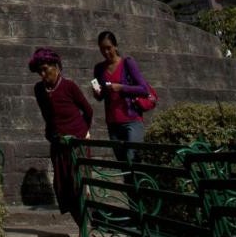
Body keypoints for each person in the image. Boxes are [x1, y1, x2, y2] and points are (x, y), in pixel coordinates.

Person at [28, 47, 95, 215]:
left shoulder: (69, 86)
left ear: (56, 67)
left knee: (79, 186)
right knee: (63, 188)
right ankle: (82, 227)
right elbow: (47, 115)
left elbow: (88, 111)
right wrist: (52, 134)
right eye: (39, 71)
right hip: (58, 144)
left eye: (45, 70)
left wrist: (83, 132)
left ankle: (88, 232)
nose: (42, 75)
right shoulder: (39, 90)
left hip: (76, 144)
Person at [92, 30, 154, 162]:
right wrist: (97, 93)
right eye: (102, 49)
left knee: (133, 160)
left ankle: (141, 182)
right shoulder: (99, 69)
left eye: (109, 48)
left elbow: (144, 89)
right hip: (113, 123)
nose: (106, 52)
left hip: (132, 120)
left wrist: (121, 87)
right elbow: (100, 96)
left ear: (115, 46)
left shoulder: (127, 63)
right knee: (123, 163)